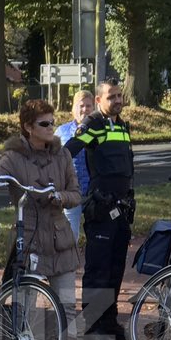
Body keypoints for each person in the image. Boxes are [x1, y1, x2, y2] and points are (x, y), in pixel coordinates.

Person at [0, 99, 81, 326]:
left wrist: (60, 197)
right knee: (24, 312)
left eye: (52, 122)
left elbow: (76, 194)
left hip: (60, 241)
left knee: (68, 308)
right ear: (28, 128)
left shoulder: (63, 155)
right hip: (29, 240)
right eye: (44, 124)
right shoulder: (13, 157)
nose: (51, 127)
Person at [64, 80, 134, 340]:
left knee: (116, 267)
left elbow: (128, 167)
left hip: (122, 208)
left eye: (119, 95)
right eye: (111, 96)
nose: (117, 100)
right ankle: (93, 325)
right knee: (99, 267)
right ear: (98, 99)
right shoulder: (94, 123)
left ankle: (109, 319)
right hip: (101, 207)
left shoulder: (123, 125)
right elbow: (70, 149)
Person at [55, 90, 95, 239]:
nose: (85, 109)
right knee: (71, 237)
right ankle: (71, 263)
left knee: (96, 237)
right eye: (81, 105)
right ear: (73, 109)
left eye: (89, 106)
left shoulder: (98, 130)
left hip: (94, 193)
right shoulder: (61, 132)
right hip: (72, 192)